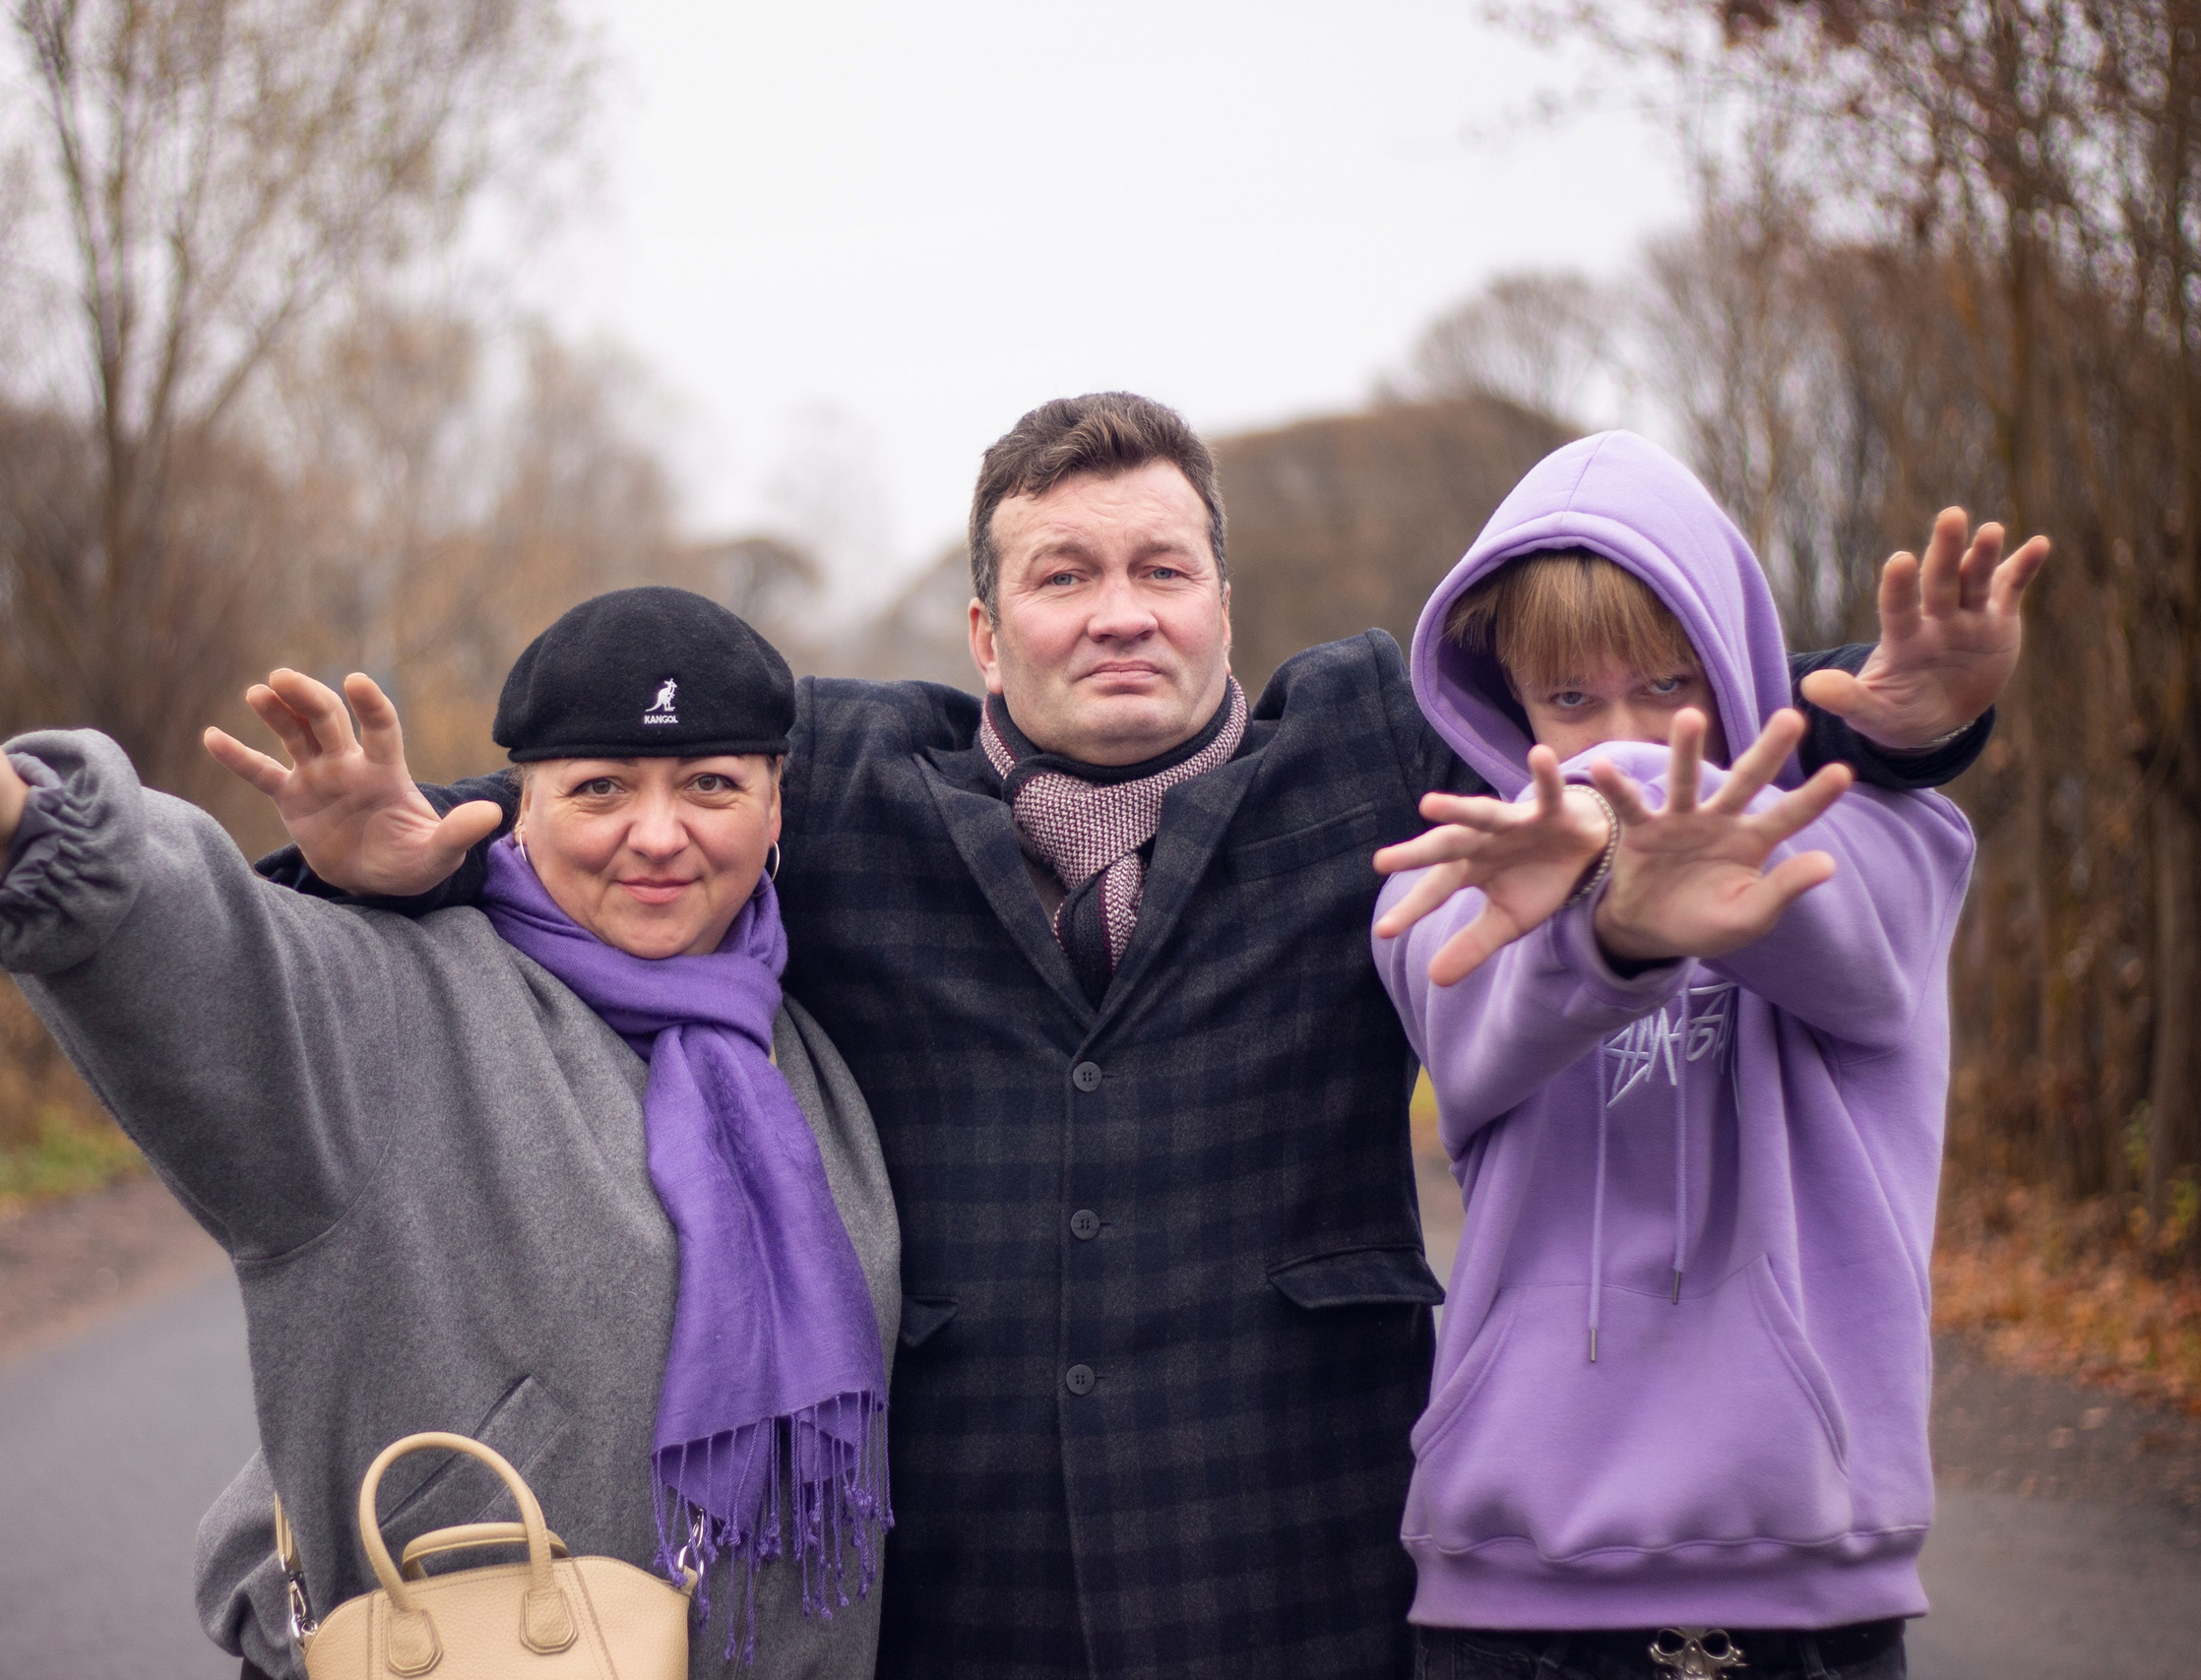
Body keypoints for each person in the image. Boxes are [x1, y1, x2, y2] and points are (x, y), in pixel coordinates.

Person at [243, 394, 2040, 1678]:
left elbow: (1646, 702)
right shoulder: (852, 782)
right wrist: (401, 852)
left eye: (1164, 567)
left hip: (1305, 1556)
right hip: (965, 1577)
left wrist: (1902, 730)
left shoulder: (1366, 752)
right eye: (1065, 573)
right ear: (984, 628)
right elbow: (625, 794)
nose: (1121, 609)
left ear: (1223, 606)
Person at [0, 589, 902, 1680]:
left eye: (709, 784)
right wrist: (20, 833)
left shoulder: (807, 1058)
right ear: (524, 806)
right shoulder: (395, 1002)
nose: (656, 834)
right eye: (600, 788)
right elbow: (212, 961)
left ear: (773, 810)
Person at [1371, 432, 1980, 1679]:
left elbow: (1846, 952)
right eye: (1568, 701)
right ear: (1507, 703)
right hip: (1508, 1587)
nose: (1623, 737)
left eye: (1667, 683)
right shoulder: (1456, 880)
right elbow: (1478, 1044)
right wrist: (1611, 932)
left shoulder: (1885, 842)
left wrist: (1624, 836)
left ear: (1735, 665)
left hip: (1798, 1580)